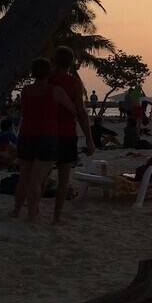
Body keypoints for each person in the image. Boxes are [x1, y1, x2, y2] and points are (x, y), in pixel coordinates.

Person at [13, 58, 76, 222]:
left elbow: (23, 110)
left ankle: (16, 210)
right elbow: (73, 109)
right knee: (36, 179)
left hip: (26, 135)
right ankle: (32, 214)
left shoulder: (25, 91)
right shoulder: (55, 91)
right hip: (46, 137)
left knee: (24, 177)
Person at [50, 46, 94, 224]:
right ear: (71, 63)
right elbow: (81, 114)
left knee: (40, 176)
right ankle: (56, 217)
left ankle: (33, 210)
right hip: (66, 134)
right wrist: (89, 140)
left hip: (46, 133)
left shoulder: (46, 81)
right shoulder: (74, 84)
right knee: (63, 179)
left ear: (54, 61)